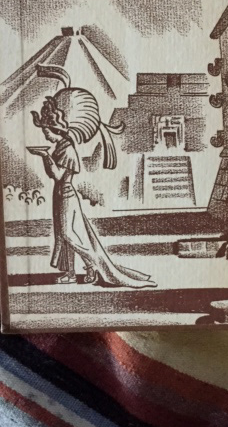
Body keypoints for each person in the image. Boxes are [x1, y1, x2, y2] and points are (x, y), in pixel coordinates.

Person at [30, 65, 156, 288]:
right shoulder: (61, 146)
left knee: (69, 234)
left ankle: (92, 265)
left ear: (59, 129)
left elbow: (58, 175)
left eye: (47, 131)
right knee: (63, 235)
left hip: (66, 195)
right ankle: (70, 273)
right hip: (60, 195)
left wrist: (45, 156)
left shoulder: (68, 150)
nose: (45, 135)